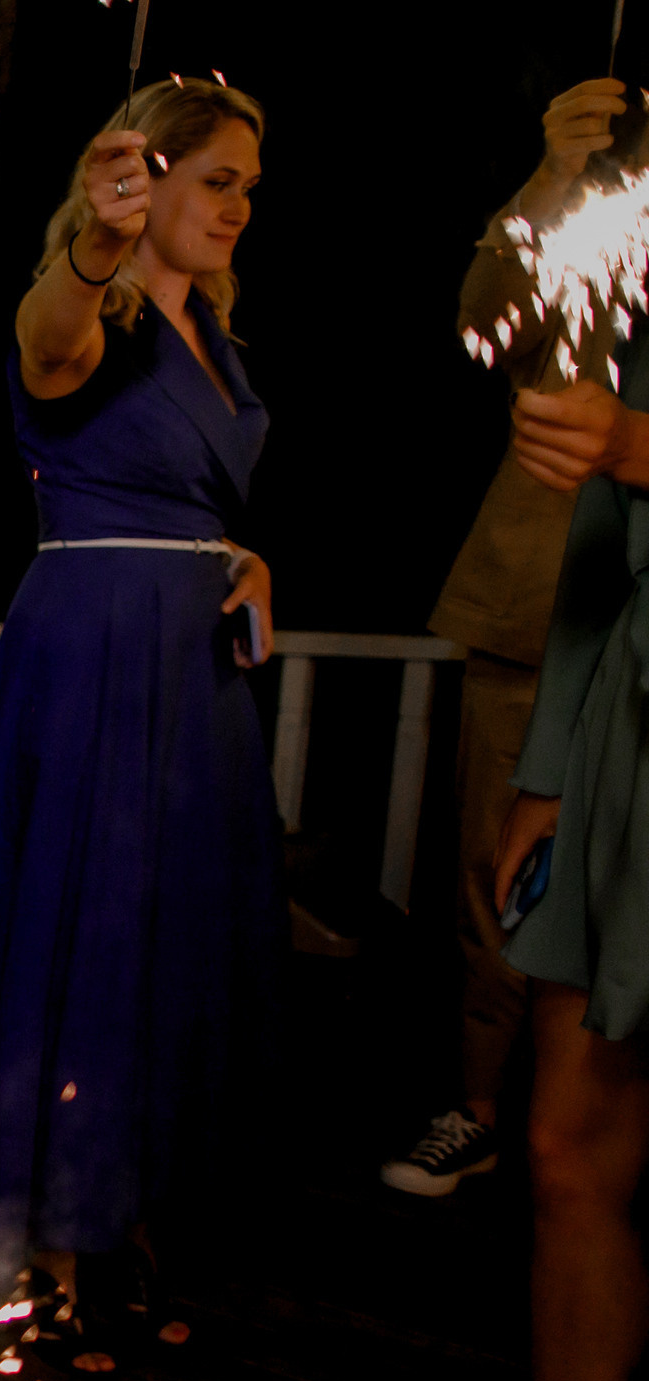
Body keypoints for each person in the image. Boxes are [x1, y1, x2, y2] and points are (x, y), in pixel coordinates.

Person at [0, 77, 278, 1373]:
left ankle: (121, 1211)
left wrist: (241, 556)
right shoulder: (95, 308)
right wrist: (91, 247)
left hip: (195, 675)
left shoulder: (217, 338)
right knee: (84, 933)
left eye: (247, 188)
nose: (237, 206)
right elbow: (47, 341)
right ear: (147, 175)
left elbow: (194, 487)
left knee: (167, 940)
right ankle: (49, 1247)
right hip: (93, 657)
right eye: (217, 178)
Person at [401, 248, 649, 1381]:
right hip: (628, 730)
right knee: (566, 1141)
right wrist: (551, 768)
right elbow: (604, 543)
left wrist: (638, 442)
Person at [385, 79, 634, 1198]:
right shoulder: (600, 223)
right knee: (500, 876)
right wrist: (551, 176)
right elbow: (482, 317)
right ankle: (482, 1109)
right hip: (536, 606)